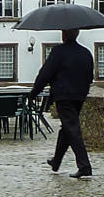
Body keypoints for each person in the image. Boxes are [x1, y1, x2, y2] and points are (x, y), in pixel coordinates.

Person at [29, 28, 95, 177]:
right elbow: (90, 76)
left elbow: (45, 74)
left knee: (72, 129)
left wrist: (34, 92)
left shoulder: (59, 52)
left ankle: (85, 166)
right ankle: (56, 161)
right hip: (80, 96)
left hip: (64, 96)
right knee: (67, 129)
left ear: (64, 34)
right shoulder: (86, 53)